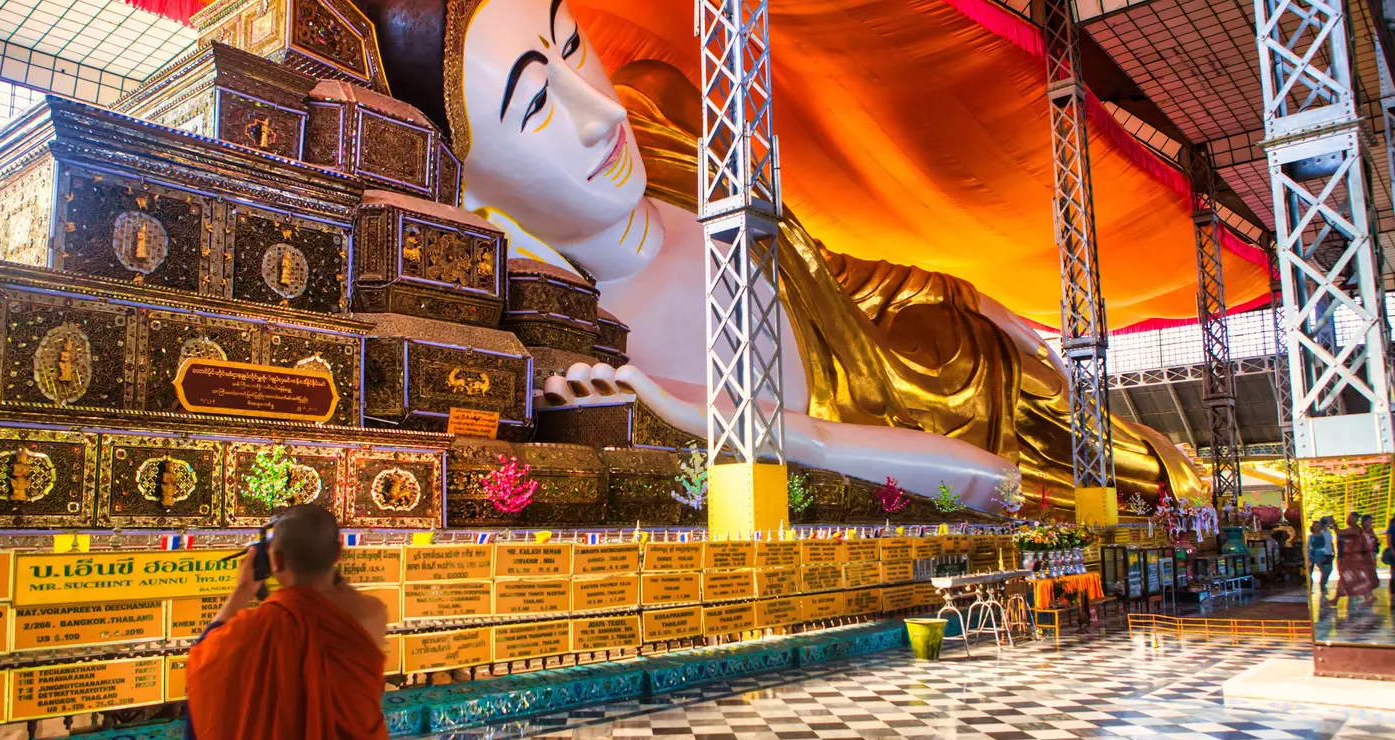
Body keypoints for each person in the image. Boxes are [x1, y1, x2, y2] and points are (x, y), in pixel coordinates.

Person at [352, 0, 1204, 512]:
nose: (598, 114)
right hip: (941, 443)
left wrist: (960, 291)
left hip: (927, 343)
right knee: (1147, 478)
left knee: (1152, 451)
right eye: (536, 103)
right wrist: (695, 414)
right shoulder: (606, 354)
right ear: (476, 197)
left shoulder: (662, 120)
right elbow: (990, 483)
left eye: (572, 47)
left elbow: (824, 267)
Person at [183, 505, 390, 740]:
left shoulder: (258, 629)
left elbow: (203, 659)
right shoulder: (372, 613)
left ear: (276, 561)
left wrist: (243, 589)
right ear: (338, 554)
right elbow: (341, 595)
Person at [1308, 519, 1334, 599]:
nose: (1317, 527)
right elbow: (1309, 547)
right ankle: (1311, 588)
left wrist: (1332, 551)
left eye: (1318, 525)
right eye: (1315, 526)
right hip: (1314, 556)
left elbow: (1329, 543)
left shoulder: (1324, 535)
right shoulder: (1311, 537)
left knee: (1327, 570)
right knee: (1310, 573)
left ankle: (1322, 584)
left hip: (1323, 555)